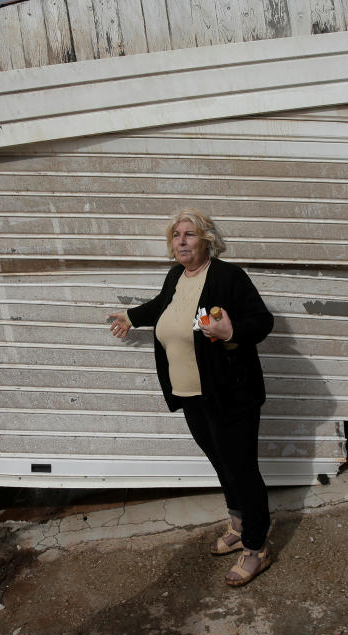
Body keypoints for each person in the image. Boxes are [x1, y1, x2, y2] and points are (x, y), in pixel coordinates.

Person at [108, 209, 274, 587]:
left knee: (242, 469)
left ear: (207, 241)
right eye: (175, 235)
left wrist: (231, 331)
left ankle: (256, 546)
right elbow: (162, 305)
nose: (181, 241)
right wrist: (132, 316)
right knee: (220, 462)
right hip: (191, 394)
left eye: (189, 234)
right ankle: (240, 524)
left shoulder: (228, 277)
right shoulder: (175, 277)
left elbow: (262, 321)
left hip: (230, 393)